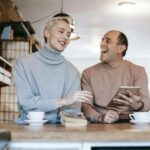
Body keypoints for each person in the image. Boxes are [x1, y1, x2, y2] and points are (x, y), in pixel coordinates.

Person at [13, 16, 92, 124]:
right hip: (26, 129)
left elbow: (72, 111)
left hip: (60, 133)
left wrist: (73, 113)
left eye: (68, 35)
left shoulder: (73, 72)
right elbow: (27, 103)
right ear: (47, 33)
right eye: (61, 31)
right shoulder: (22, 64)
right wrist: (63, 101)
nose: (65, 37)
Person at [81, 30, 150, 124]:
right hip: (100, 123)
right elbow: (86, 106)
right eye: (102, 40)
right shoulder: (88, 73)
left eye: (108, 41)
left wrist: (137, 105)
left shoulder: (138, 71)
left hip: (130, 123)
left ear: (121, 48)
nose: (102, 43)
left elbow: (146, 102)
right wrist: (100, 117)